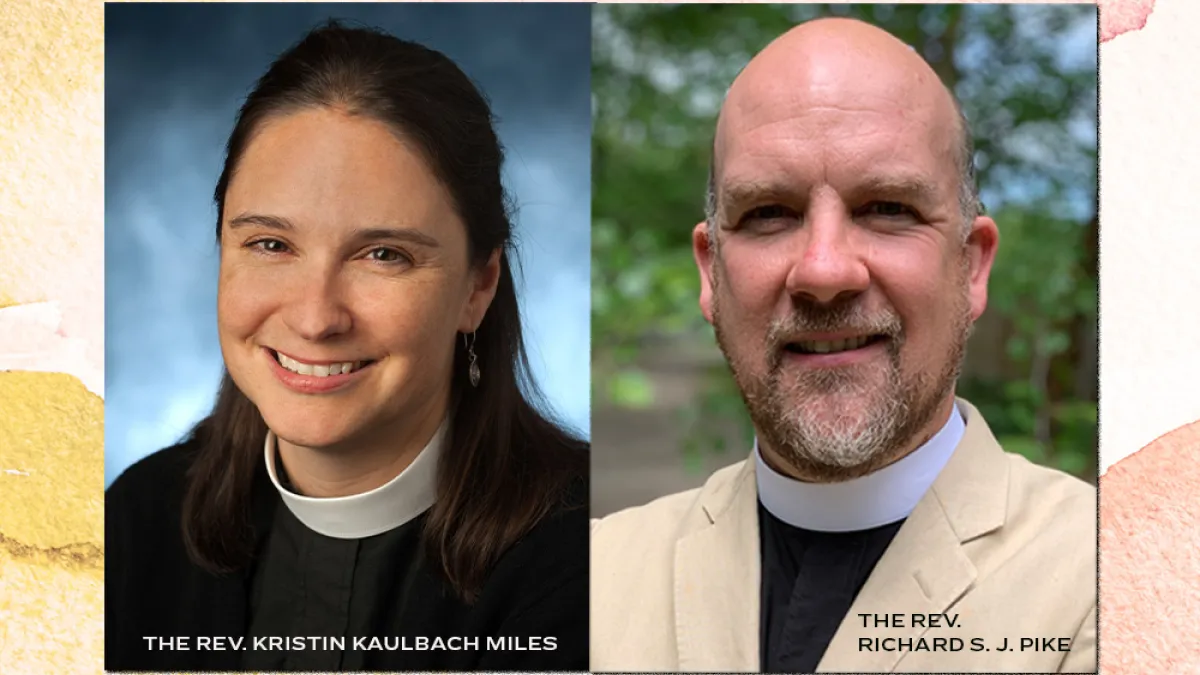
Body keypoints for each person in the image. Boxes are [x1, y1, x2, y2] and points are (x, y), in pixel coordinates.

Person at [590, 17, 1096, 674]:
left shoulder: (1117, 578)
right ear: (711, 271)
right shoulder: (585, 577)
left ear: (971, 267)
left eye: (887, 207)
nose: (824, 271)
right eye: (769, 213)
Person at [105, 21, 588, 672]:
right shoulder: (135, 522)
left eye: (383, 254)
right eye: (271, 244)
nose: (315, 317)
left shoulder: (589, 559)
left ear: (479, 285)